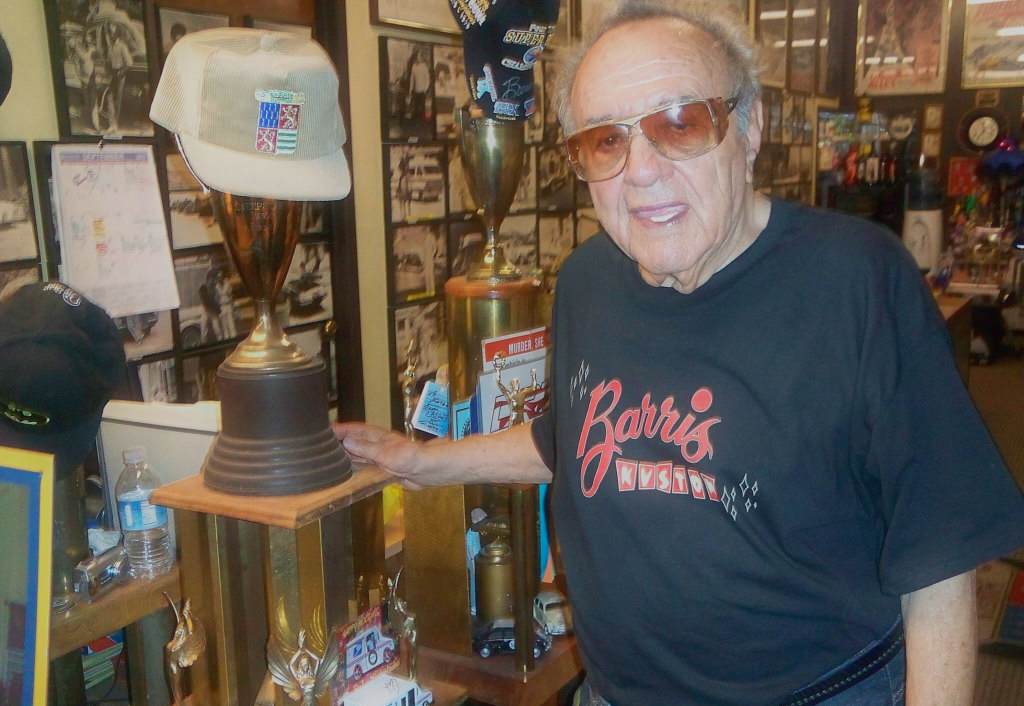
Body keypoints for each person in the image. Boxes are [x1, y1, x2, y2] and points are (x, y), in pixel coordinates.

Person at [336, 2, 1024, 705]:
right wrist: (424, 463)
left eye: (680, 123)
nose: (640, 170)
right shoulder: (585, 283)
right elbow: (569, 440)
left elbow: (939, 558)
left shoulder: (857, 281)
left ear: (748, 128)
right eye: (606, 140)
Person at [198, 268, 222, 343]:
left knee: (217, 329)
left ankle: (220, 342)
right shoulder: (203, 288)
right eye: (211, 278)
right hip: (206, 310)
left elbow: (217, 300)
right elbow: (206, 301)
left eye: (213, 278)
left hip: (212, 311)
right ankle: (203, 344)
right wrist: (215, 306)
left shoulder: (214, 288)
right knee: (204, 328)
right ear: (208, 279)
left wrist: (216, 307)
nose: (212, 280)